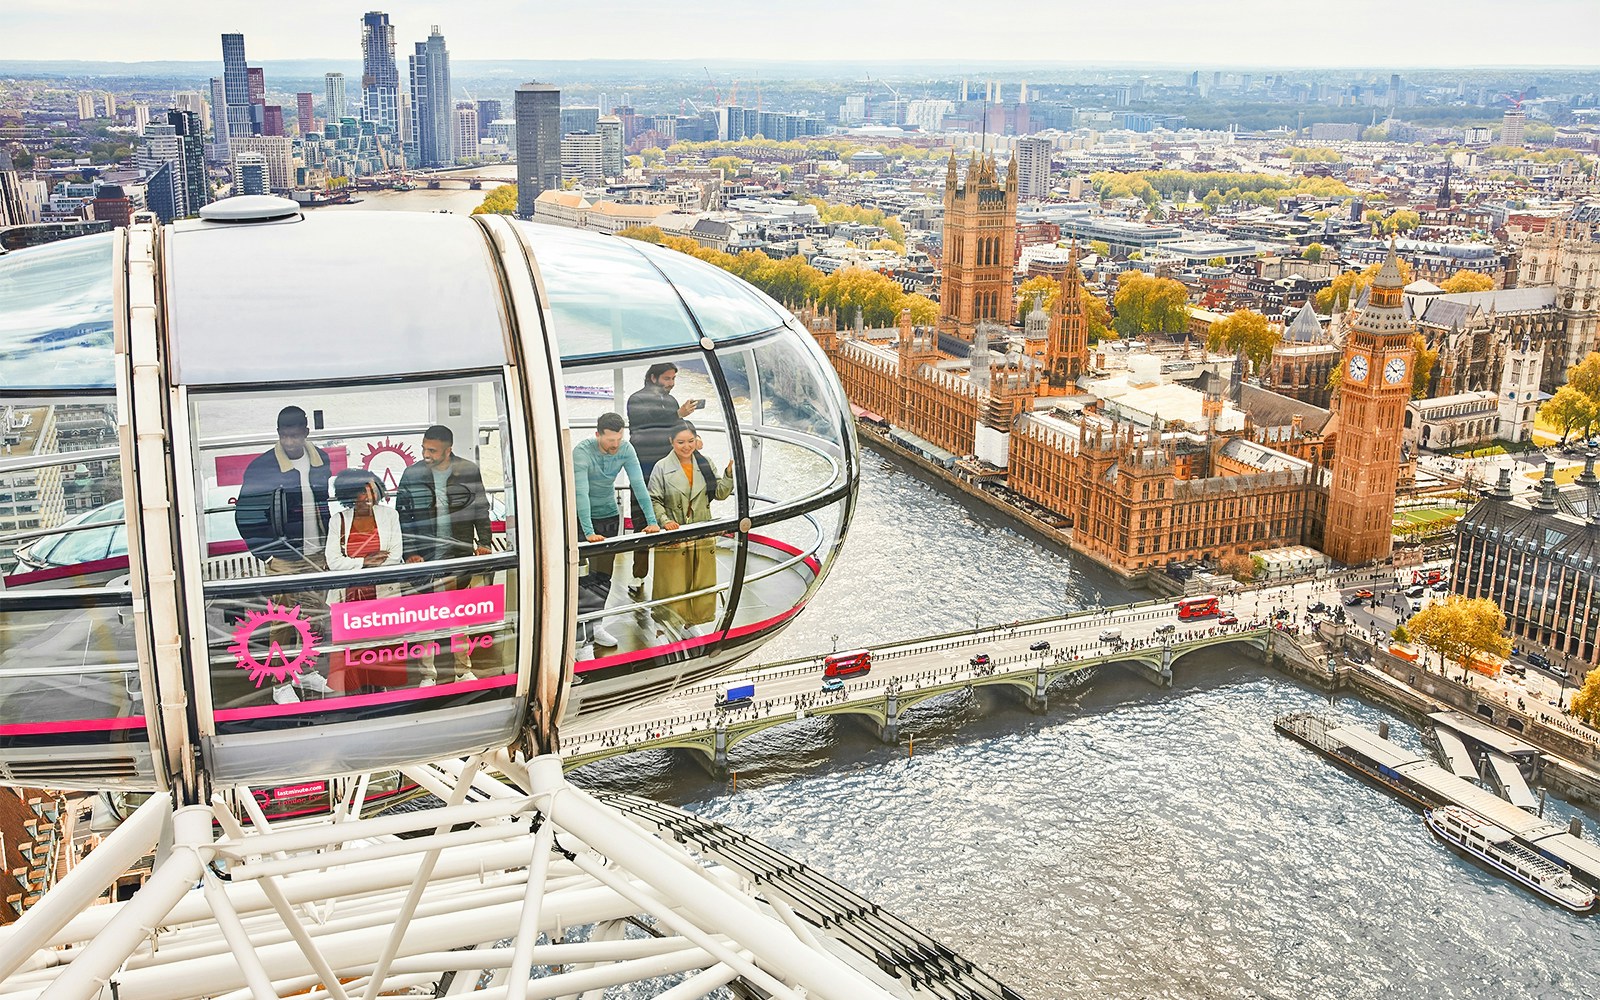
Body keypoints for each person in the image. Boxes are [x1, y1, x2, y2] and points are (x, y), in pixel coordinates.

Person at [233, 405, 334, 699]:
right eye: (284, 436)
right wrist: (267, 554)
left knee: (313, 616)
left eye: (295, 435)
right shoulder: (262, 467)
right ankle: (280, 682)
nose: (290, 442)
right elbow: (246, 515)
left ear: (306, 432)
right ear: (278, 434)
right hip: (283, 558)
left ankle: (305, 670)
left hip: (317, 553)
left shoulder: (321, 460)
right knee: (282, 622)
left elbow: (323, 503)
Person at [396, 425, 494, 683]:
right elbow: (402, 516)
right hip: (425, 557)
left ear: (448, 450)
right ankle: (428, 674)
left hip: (457, 553)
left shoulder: (468, 470)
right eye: (424, 448)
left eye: (432, 450)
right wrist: (410, 552)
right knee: (427, 618)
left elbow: (480, 509)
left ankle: (463, 670)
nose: (426, 454)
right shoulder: (412, 474)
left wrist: (484, 542)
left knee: (458, 617)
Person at [573, 412, 660, 657]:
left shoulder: (625, 448)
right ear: (597, 434)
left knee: (602, 576)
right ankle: (580, 638)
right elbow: (580, 493)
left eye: (618, 439)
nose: (615, 445)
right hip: (580, 518)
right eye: (610, 440)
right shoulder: (582, 452)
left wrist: (652, 521)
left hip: (609, 516)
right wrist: (588, 532)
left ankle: (595, 626)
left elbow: (639, 484)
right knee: (578, 579)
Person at [648, 420, 735, 639]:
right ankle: (670, 622)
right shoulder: (661, 467)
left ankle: (692, 621)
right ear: (671, 442)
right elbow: (654, 499)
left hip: (701, 531)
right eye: (680, 442)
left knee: (699, 579)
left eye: (690, 441)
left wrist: (729, 474)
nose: (686, 446)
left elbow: (720, 494)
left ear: (696, 440)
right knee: (674, 582)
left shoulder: (705, 464)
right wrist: (665, 521)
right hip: (675, 532)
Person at [324, 470, 403, 692]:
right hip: (349, 599)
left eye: (372, 490)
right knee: (354, 656)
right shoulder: (338, 520)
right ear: (349, 495)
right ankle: (358, 699)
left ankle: (381, 695)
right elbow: (333, 562)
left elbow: (395, 555)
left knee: (382, 654)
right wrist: (364, 563)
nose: (368, 497)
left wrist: (357, 562)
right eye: (362, 492)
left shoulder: (390, 516)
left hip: (382, 596)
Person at [626, 364, 700, 592]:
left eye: (673, 379)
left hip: (668, 465)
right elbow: (646, 423)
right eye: (667, 379)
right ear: (652, 377)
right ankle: (638, 576)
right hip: (644, 465)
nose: (671, 383)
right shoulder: (636, 399)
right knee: (643, 518)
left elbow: (678, 428)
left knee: (672, 515)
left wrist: (694, 437)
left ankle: (674, 575)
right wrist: (677, 414)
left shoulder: (671, 401)